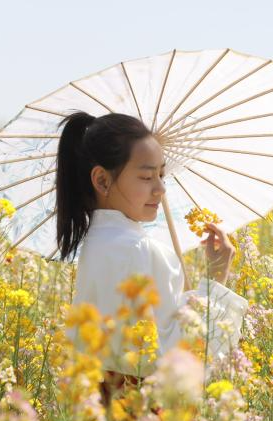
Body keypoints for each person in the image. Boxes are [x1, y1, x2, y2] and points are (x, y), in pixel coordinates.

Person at [55, 111, 248, 406]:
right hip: (143, 415)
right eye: (146, 176)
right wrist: (215, 281)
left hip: (101, 409)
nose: (160, 188)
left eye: (162, 174)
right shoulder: (136, 248)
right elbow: (171, 361)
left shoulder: (96, 243)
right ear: (102, 180)